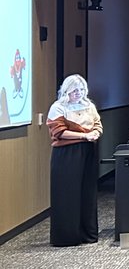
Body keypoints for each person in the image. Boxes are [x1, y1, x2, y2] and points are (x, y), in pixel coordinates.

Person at [47, 74, 104, 246]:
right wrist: (84, 136)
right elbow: (59, 132)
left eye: (81, 90)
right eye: (74, 90)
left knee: (87, 192)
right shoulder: (58, 107)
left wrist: (95, 133)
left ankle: (87, 234)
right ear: (67, 91)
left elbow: (97, 125)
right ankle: (68, 236)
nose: (78, 93)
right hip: (67, 154)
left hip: (87, 151)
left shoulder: (89, 106)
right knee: (67, 193)